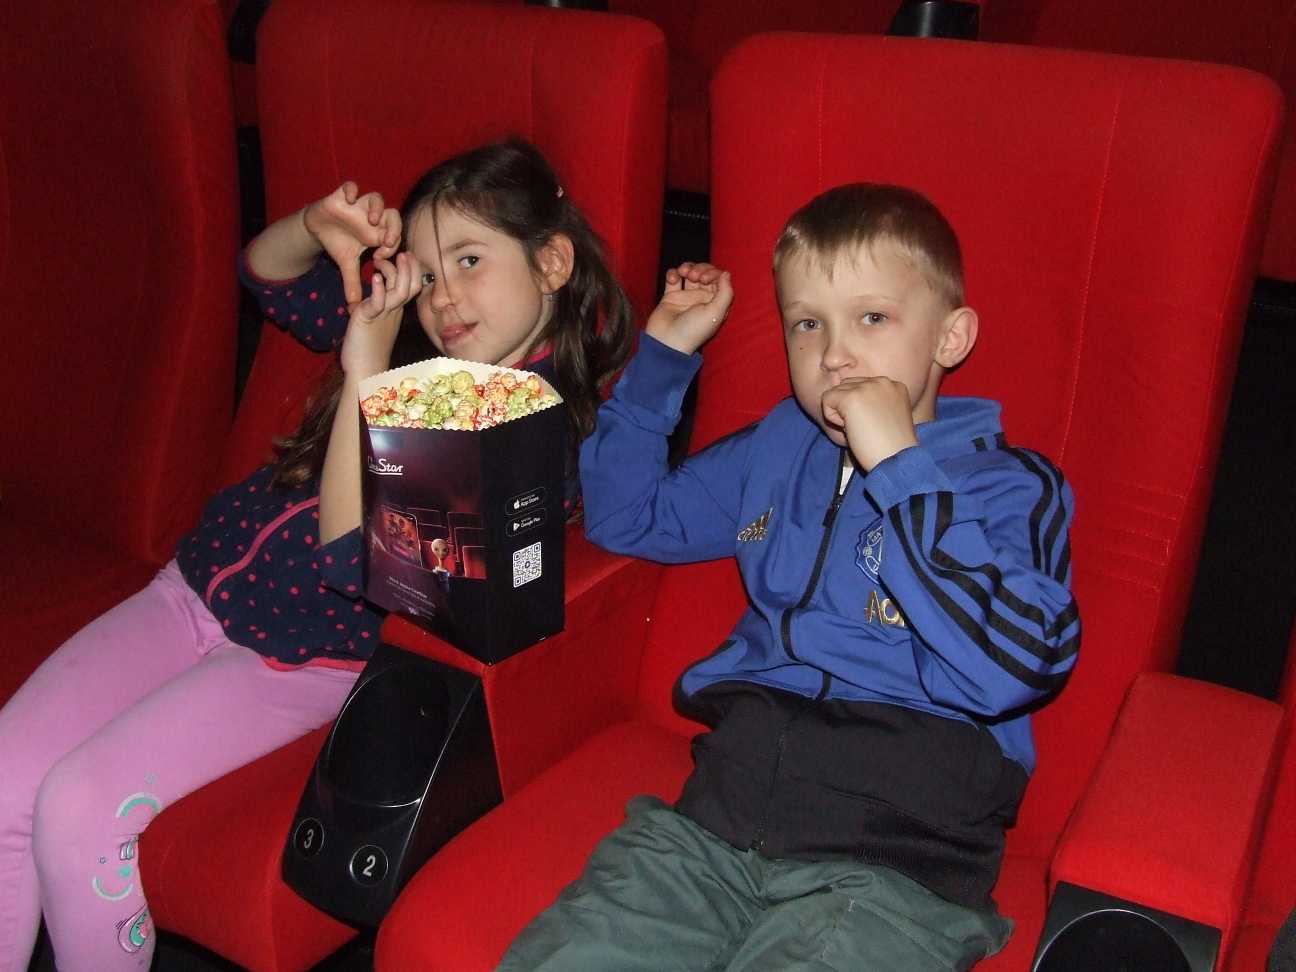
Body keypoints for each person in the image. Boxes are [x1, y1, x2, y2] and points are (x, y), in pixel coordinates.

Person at [0, 138, 634, 972]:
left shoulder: (524, 431)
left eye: (469, 260)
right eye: (427, 274)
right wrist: (316, 225)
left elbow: (354, 563)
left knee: (81, 811)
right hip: (192, 589)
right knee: (8, 773)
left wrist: (364, 368)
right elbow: (264, 273)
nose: (443, 297)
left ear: (551, 262)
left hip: (302, 659)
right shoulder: (418, 344)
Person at [501, 183, 1081, 971]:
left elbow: (1020, 661)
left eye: (872, 319)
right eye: (807, 324)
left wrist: (899, 467)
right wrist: (664, 355)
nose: (833, 354)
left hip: (895, 868)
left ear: (950, 338)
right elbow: (627, 518)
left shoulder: (1007, 484)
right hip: (714, 827)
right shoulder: (779, 448)